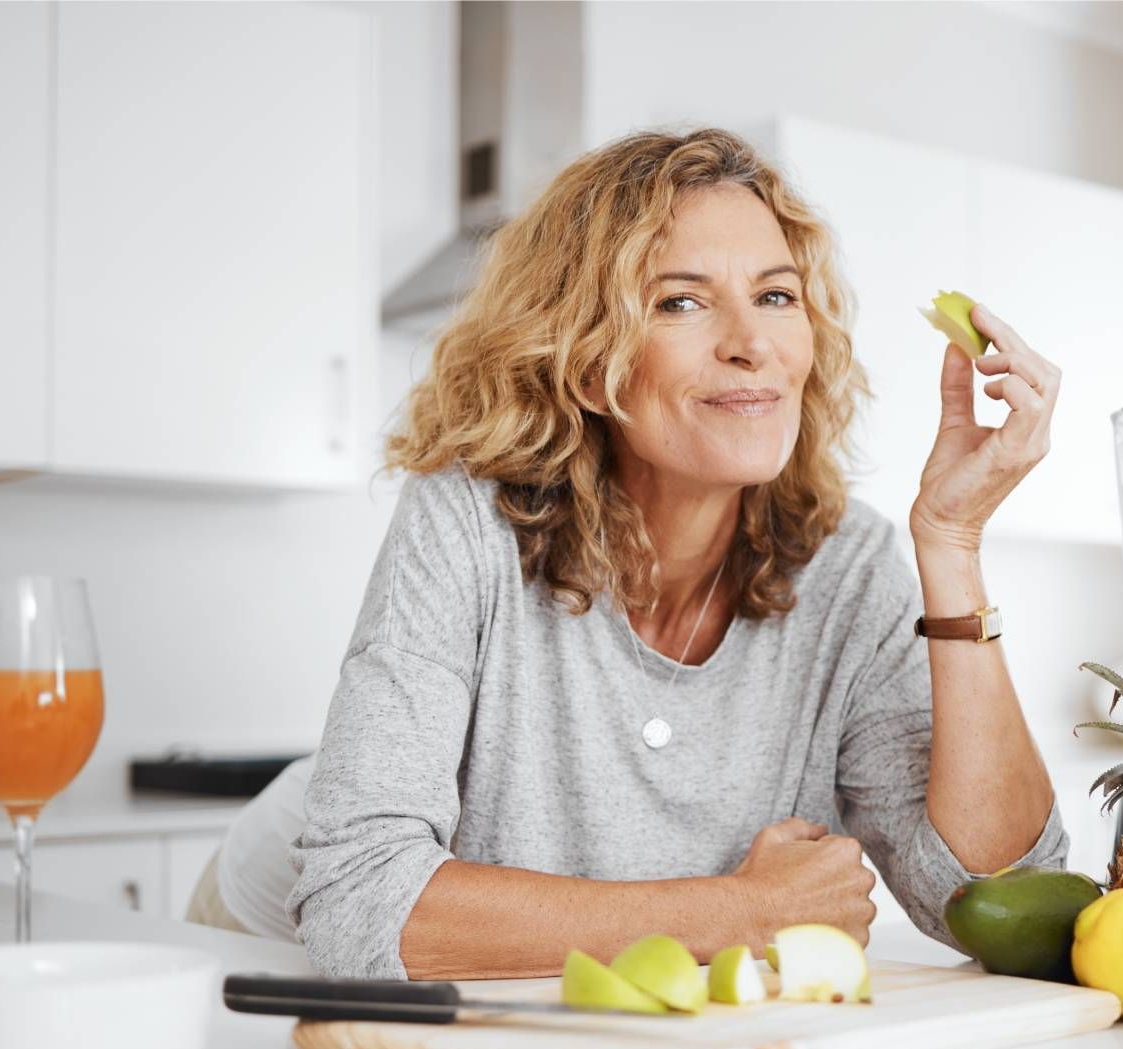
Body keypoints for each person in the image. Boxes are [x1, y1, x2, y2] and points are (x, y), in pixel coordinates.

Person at [223, 128, 1066, 979]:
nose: (753, 343)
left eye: (777, 296)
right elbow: (357, 904)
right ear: (588, 364)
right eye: (680, 303)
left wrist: (952, 547)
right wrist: (744, 911)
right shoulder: (467, 520)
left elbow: (1003, 905)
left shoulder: (849, 568)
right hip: (260, 929)